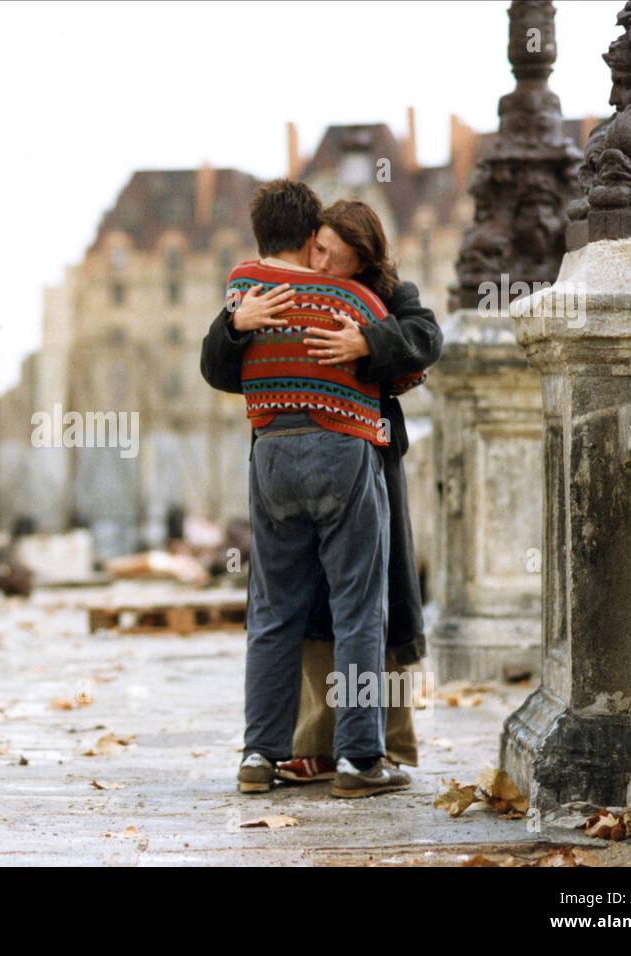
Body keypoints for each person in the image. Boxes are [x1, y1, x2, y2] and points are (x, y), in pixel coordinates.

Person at [201, 196, 442, 795]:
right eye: (321, 250)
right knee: (359, 609)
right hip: (347, 452)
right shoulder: (350, 300)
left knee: (274, 612)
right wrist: (236, 325)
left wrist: (369, 343)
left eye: (338, 256)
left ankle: (260, 756)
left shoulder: (250, 286)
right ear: (311, 236)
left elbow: (423, 339)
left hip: (278, 450)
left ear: (363, 257)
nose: (324, 263)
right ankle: (360, 759)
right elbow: (416, 374)